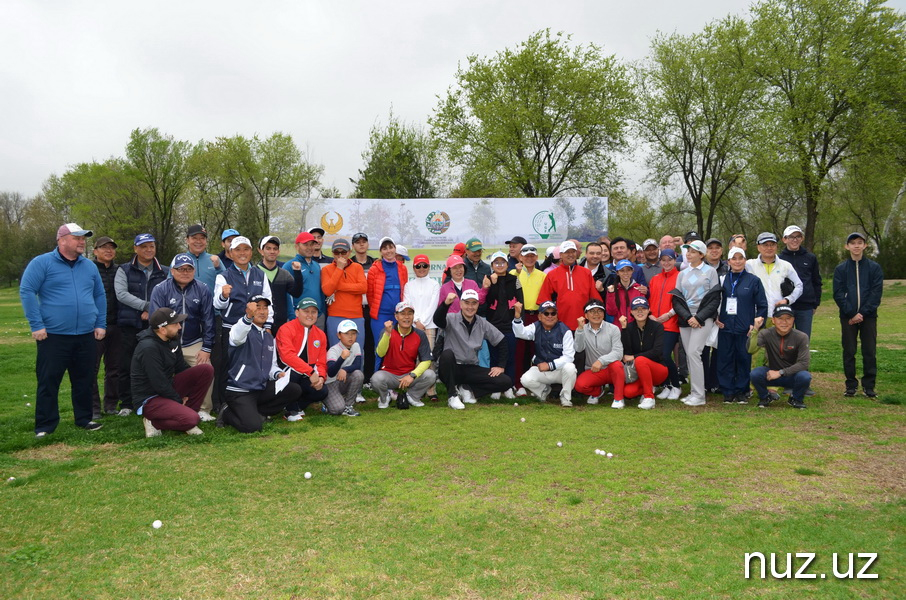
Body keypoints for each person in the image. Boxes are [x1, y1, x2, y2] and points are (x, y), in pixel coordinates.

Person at [21, 223, 106, 437]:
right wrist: (37, 325)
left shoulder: (89, 266)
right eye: (77, 238)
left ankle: (84, 419)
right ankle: (45, 425)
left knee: (85, 380)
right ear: (62, 240)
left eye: (83, 238)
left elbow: (99, 295)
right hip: (53, 336)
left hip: (86, 334)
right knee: (49, 381)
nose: (81, 242)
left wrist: (100, 323)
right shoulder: (42, 263)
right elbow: (27, 291)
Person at [149, 253, 216, 421]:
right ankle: (161, 407)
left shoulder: (202, 288)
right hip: (167, 342)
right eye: (181, 269)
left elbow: (208, 319)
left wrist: (206, 347)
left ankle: (203, 409)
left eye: (189, 269)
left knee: (205, 367)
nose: (185, 272)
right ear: (172, 270)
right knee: (161, 374)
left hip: (193, 341)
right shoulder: (160, 289)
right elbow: (155, 320)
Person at [220, 296, 301, 432]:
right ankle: (227, 413)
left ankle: (256, 412)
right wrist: (248, 317)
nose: (262, 312)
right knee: (253, 427)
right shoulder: (240, 328)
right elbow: (237, 337)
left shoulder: (269, 337)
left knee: (294, 389)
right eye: (258, 307)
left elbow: (271, 365)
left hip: (260, 388)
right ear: (249, 309)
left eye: (265, 308)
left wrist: (277, 373)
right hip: (240, 390)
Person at [131, 307, 213, 437]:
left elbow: (181, 367)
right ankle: (154, 422)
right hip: (150, 398)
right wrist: (178, 400)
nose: (179, 327)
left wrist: (189, 388)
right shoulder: (148, 348)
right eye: (175, 324)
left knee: (205, 370)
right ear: (162, 330)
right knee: (192, 419)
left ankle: (185, 413)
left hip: (166, 387)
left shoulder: (172, 339)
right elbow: (158, 382)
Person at [213, 236, 273, 409]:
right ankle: (223, 403)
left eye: (246, 249)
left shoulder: (259, 274)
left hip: (255, 329)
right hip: (231, 327)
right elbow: (217, 305)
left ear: (251, 251)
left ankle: (251, 401)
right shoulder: (224, 276)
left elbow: (268, 301)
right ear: (230, 253)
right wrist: (224, 296)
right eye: (238, 250)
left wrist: (268, 325)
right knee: (227, 366)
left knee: (251, 364)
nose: (242, 253)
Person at [114, 233, 169, 415]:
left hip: (156, 326)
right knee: (127, 364)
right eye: (144, 246)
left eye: (151, 246)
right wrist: (147, 306)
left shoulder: (165, 271)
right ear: (135, 248)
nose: (148, 250)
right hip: (130, 324)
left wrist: (153, 311)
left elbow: (168, 295)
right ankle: (127, 404)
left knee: (155, 363)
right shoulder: (124, 269)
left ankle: (153, 398)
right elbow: (121, 294)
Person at [433, 289, 512, 409]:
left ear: (478, 305)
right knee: (447, 354)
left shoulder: (482, 323)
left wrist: (501, 365)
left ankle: (468, 390)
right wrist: (446, 304)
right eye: (467, 303)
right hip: (451, 368)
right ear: (460, 304)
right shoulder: (451, 318)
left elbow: (501, 341)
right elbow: (437, 320)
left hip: (471, 368)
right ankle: (452, 396)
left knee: (505, 381)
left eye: (474, 303)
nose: (470, 307)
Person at [669, 239, 721, 406]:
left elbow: (714, 298)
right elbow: (677, 299)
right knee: (691, 355)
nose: (688, 254)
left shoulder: (710, 271)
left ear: (701, 254)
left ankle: (699, 395)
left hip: (703, 319)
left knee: (693, 353)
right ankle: (694, 393)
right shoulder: (682, 273)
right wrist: (688, 317)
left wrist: (698, 318)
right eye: (687, 251)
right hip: (686, 320)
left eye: (692, 251)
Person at [833, 232, 884, 398]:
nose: (856, 246)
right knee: (849, 350)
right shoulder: (841, 269)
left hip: (868, 316)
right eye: (853, 243)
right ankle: (851, 386)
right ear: (847, 246)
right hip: (848, 317)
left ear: (865, 246)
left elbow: (876, 293)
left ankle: (869, 386)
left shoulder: (874, 268)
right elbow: (838, 293)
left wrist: (862, 313)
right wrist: (851, 313)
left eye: (859, 242)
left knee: (869, 350)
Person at [715, 247, 767, 404]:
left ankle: (742, 391)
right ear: (728, 261)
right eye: (734, 258)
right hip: (725, 326)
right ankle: (727, 391)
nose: (737, 261)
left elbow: (762, 305)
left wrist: (756, 324)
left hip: (745, 329)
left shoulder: (753, 280)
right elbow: (713, 300)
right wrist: (714, 317)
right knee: (725, 360)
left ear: (745, 260)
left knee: (743, 360)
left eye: (741, 258)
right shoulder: (722, 279)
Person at [745, 232, 803, 369]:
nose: (769, 248)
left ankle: (772, 387)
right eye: (765, 245)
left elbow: (799, 285)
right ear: (758, 247)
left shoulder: (785, 265)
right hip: (756, 315)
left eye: (772, 245)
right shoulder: (750, 265)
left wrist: (788, 300)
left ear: (777, 246)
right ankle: (750, 387)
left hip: (778, 315)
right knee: (752, 350)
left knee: (775, 353)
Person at [372, 301, 437, 409]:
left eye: (410, 314)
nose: (406, 317)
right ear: (396, 316)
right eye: (402, 314)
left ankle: (412, 396)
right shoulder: (387, 331)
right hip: (390, 375)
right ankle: (385, 397)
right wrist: (387, 334)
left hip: (409, 374)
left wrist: (412, 375)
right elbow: (380, 353)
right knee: (376, 379)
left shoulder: (419, 334)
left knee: (430, 375)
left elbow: (426, 360)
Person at [512, 300, 577, 407]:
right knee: (525, 380)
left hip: (560, 371)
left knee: (570, 367)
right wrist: (518, 317)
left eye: (553, 313)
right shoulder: (535, 326)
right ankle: (544, 391)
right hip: (542, 370)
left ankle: (566, 398)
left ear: (557, 315)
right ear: (540, 316)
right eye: (546, 313)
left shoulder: (565, 331)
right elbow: (520, 333)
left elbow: (569, 357)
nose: (550, 316)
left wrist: (550, 365)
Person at [276, 298, 329, 420]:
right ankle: (291, 410)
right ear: (297, 312)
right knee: (294, 374)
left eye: (313, 312)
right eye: (306, 311)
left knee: (322, 391)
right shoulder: (286, 329)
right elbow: (287, 356)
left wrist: (321, 377)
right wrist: (310, 372)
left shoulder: (320, 334)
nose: (310, 315)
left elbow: (321, 361)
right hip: (285, 373)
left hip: (306, 374)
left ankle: (297, 406)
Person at [750, 306, 812, 409]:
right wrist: (756, 329)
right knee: (755, 374)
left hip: (792, 375)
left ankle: (796, 398)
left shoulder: (801, 336)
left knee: (805, 376)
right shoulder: (766, 333)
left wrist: (780, 373)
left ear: (793, 320)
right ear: (773, 320)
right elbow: (751, 350)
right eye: (780, 318)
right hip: (771, 374)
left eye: (788, 318)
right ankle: (765, 397)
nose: (784, 322)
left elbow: (804, 363)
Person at [537, 240, 603, 330]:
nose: (570, 254)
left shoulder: (586, 273)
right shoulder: (552, 275)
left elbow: (595, 299)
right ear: (561, 255)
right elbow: (544, 300)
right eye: (567, 252)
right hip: (559, 324)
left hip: (584, 323)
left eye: (573, 251)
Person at [366, 236, 408, 372]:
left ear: (395, 249)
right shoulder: (374, 269)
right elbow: (370, 294)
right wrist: (378, 311)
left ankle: (394, 379)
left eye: (391, 247)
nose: (388, 251)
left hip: (398, 315)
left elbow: (404, 290)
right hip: (380, 316)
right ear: (381, 251)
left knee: (396, 347)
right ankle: (378, 379)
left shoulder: (402, 268)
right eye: (385, 248)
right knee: (380, 347)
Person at [483, 251, 523, 391]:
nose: (500, 265)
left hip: (510, 325)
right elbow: (485, 302)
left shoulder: (514, 279)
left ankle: (509, 386)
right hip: (493, 325)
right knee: (494, 357)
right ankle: (496, 386)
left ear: (507, 264)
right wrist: (492, 285)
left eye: (502, 262)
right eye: (496, 263)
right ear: (492, 265)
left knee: (510, 357)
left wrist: (518, 317)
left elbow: (520, 299)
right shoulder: (488, 278)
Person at [403, 254, 441, 402]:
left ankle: (431, 391)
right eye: (418, 266)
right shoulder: (409, 285)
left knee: (428, 359)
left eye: (424, 266)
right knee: (415, 360)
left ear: (429, 267)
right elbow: (407, 304)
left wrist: (422, 322)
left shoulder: (434, 284)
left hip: (429, 326)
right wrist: (416, 321)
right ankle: (417, 390)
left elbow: (433, 305)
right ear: (413, 268)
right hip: (412, 326)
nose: (421, 269)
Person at [573, 300, 625, 407]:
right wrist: (579, 330)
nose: (596, 314)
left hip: (612, 369)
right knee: (580, 385)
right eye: (592, 311)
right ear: (586, 315)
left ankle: (618, 399)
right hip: (594, 370)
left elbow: (618, 352)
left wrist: (601, 361)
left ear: (603, 314)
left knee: (617, 364)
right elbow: (578, 348)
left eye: (599, 311)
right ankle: (597, 392)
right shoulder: (582, 330)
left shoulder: (613, 329)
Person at [91, 235, 121, 419]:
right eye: (104, 247)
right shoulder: (88, 268)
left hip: (116, 325)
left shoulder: (120, 270)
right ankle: (93, 408)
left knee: (114, 369)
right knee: (91, 369)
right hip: (94, 327)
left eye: (111, 247)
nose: (108, 250)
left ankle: (110, 404)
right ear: (95, 251)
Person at [510, 244, 546, 396]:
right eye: (526, 256)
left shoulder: (543, 275)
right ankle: (518, 384)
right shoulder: (513, 273)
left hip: (537, 315)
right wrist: (518, 273)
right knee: (519, 351)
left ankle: (533, 384)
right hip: (520, 315)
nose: (529, 259)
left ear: (537, 258)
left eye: (532, 256)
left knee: (535, 350)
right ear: (520, 258)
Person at [620, 297, 668, 409]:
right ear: (631, 311)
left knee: (640, 360)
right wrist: (624, 329)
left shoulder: (657, 326)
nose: (640, 311)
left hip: (658, 369)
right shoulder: (630, 327)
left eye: (643, 308)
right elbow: (627, 351)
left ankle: (649, 397)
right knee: (628, 393)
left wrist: (634, 357)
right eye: (636, 309)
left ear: (648, 310)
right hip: (639, 372)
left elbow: (657, 351)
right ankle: (649, 388)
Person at [320, 238, 367, 347]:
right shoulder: (326, 269)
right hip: (335, 316)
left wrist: (338, 286)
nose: (340, 255)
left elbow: (363, 288)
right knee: (336, 352)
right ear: (332, 253)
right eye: (337, 252)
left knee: (357, 352)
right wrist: (339, 268)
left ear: (350, 252)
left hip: (356, 316)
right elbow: (327, 291)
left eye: (344, 252)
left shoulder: (357, 267)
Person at [648, 249, 682, 400]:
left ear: (675, 260)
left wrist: (669, 314)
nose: (666, 263)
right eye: (663, 260)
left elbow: (682, 301)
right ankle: (666, 385)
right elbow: (650, 300)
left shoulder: (680, 277)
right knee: (657, 356)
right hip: (655, 323)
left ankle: (676, 385)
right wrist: (651, 315)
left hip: (671, 323)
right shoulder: (655, 278)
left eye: (669, 260)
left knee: (665, 355)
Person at [779, 225, 822, 340]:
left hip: (805, 307)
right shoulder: (779, 259)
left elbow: (816, 281)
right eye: (791, 237)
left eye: (798, 236)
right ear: (785, 239)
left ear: (802, 238)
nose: (795, 240)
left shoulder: (810, 258)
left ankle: (802, 359)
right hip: (786, 306)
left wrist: (815, 303)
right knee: (784, 341)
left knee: (803, 341)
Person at [257, 235, 303, 334]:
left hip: (280, 325)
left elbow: (296, 293)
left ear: (278, 252)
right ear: (261, 251)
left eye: (275, 249)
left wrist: (297, 272)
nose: (272, 251)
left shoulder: (284, 274)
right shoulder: (254, 272)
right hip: (258, 324)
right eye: (268, 248)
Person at [321, 320, 365, 416]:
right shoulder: (333, 350)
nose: (350, 336)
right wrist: (341, 358)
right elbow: (331, 372)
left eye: (353, 333)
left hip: (343, 380)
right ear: (339, 335)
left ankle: (348, 406)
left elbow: (358, 365)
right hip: (331, 383)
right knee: (337, 410)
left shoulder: (356, 345)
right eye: (346, 333)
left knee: (358, 374)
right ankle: (327, 403)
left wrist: (344, 369)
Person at [285, 232, 325, 329]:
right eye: (305, 244)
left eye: (311, 244)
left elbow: (319, 290)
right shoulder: (289, 265)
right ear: (297, 246)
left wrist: (322, 312)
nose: (309, 247)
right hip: (299, 317)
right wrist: (292, 315)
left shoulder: (316, 265)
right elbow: (286, 294)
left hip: (317, 316)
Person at [351, 232, 376, 383]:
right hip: (355, 308)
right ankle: (355, 378)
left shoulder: (375, 263)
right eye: (357, 242)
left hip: (372, 308)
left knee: (371, 344)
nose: (361, 244)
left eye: (364, 241)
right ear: (353, 246)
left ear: (367, 244)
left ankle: (369, 378)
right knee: (355, 344)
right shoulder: (349, 263)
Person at [177, 224, 223, 291]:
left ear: (206, 241)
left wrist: (218, 268)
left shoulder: (215, 260)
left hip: (210, 301)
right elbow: (170, 286)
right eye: (194, 238)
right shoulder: (179, 260)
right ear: (187, 240)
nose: (198, 241)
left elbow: (226, 283)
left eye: (202, 238)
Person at [605, 259, 645, 327]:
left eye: (628, 270)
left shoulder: (639, 289)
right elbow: (611, 312)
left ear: (632, 271)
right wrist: (611, 294)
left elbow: (642, 311)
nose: (625, 273)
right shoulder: (613, 289)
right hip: (618, 328)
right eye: (622, 270)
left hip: (635, 328)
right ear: (617, 272)